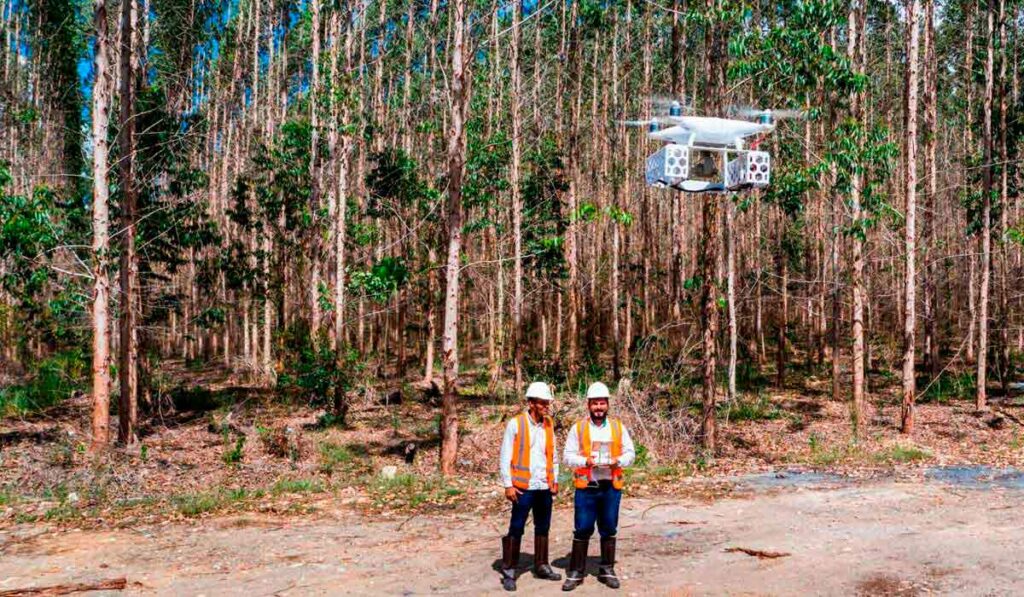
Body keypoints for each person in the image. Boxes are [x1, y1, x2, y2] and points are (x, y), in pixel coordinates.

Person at [561, 381, 636, 591]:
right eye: (595, 404)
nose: (599, 408)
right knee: (583, 528)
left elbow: (630, 453)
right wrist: (585, 462)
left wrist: (617, 462)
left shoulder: (618, 428)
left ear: (608, 405)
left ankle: (606, 569)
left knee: (609, 527)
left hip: (610, 486)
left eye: (602, 403)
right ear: (588, 405)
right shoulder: (578, 428)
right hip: (587, 487)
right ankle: (576, 572)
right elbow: (567, 456)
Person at [498, 381, 562, 591]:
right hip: (523, 487)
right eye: (543, 403)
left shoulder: (549, 424)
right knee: (516, 527)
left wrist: (555, 480)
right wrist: (508, 484)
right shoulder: (516, 424)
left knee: (543, 526)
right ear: (531, 403)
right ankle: (509, 570)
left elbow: (553, 456)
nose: (546, 406)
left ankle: (542, 565)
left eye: (547, 403)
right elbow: (505, 456)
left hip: (544, 486)